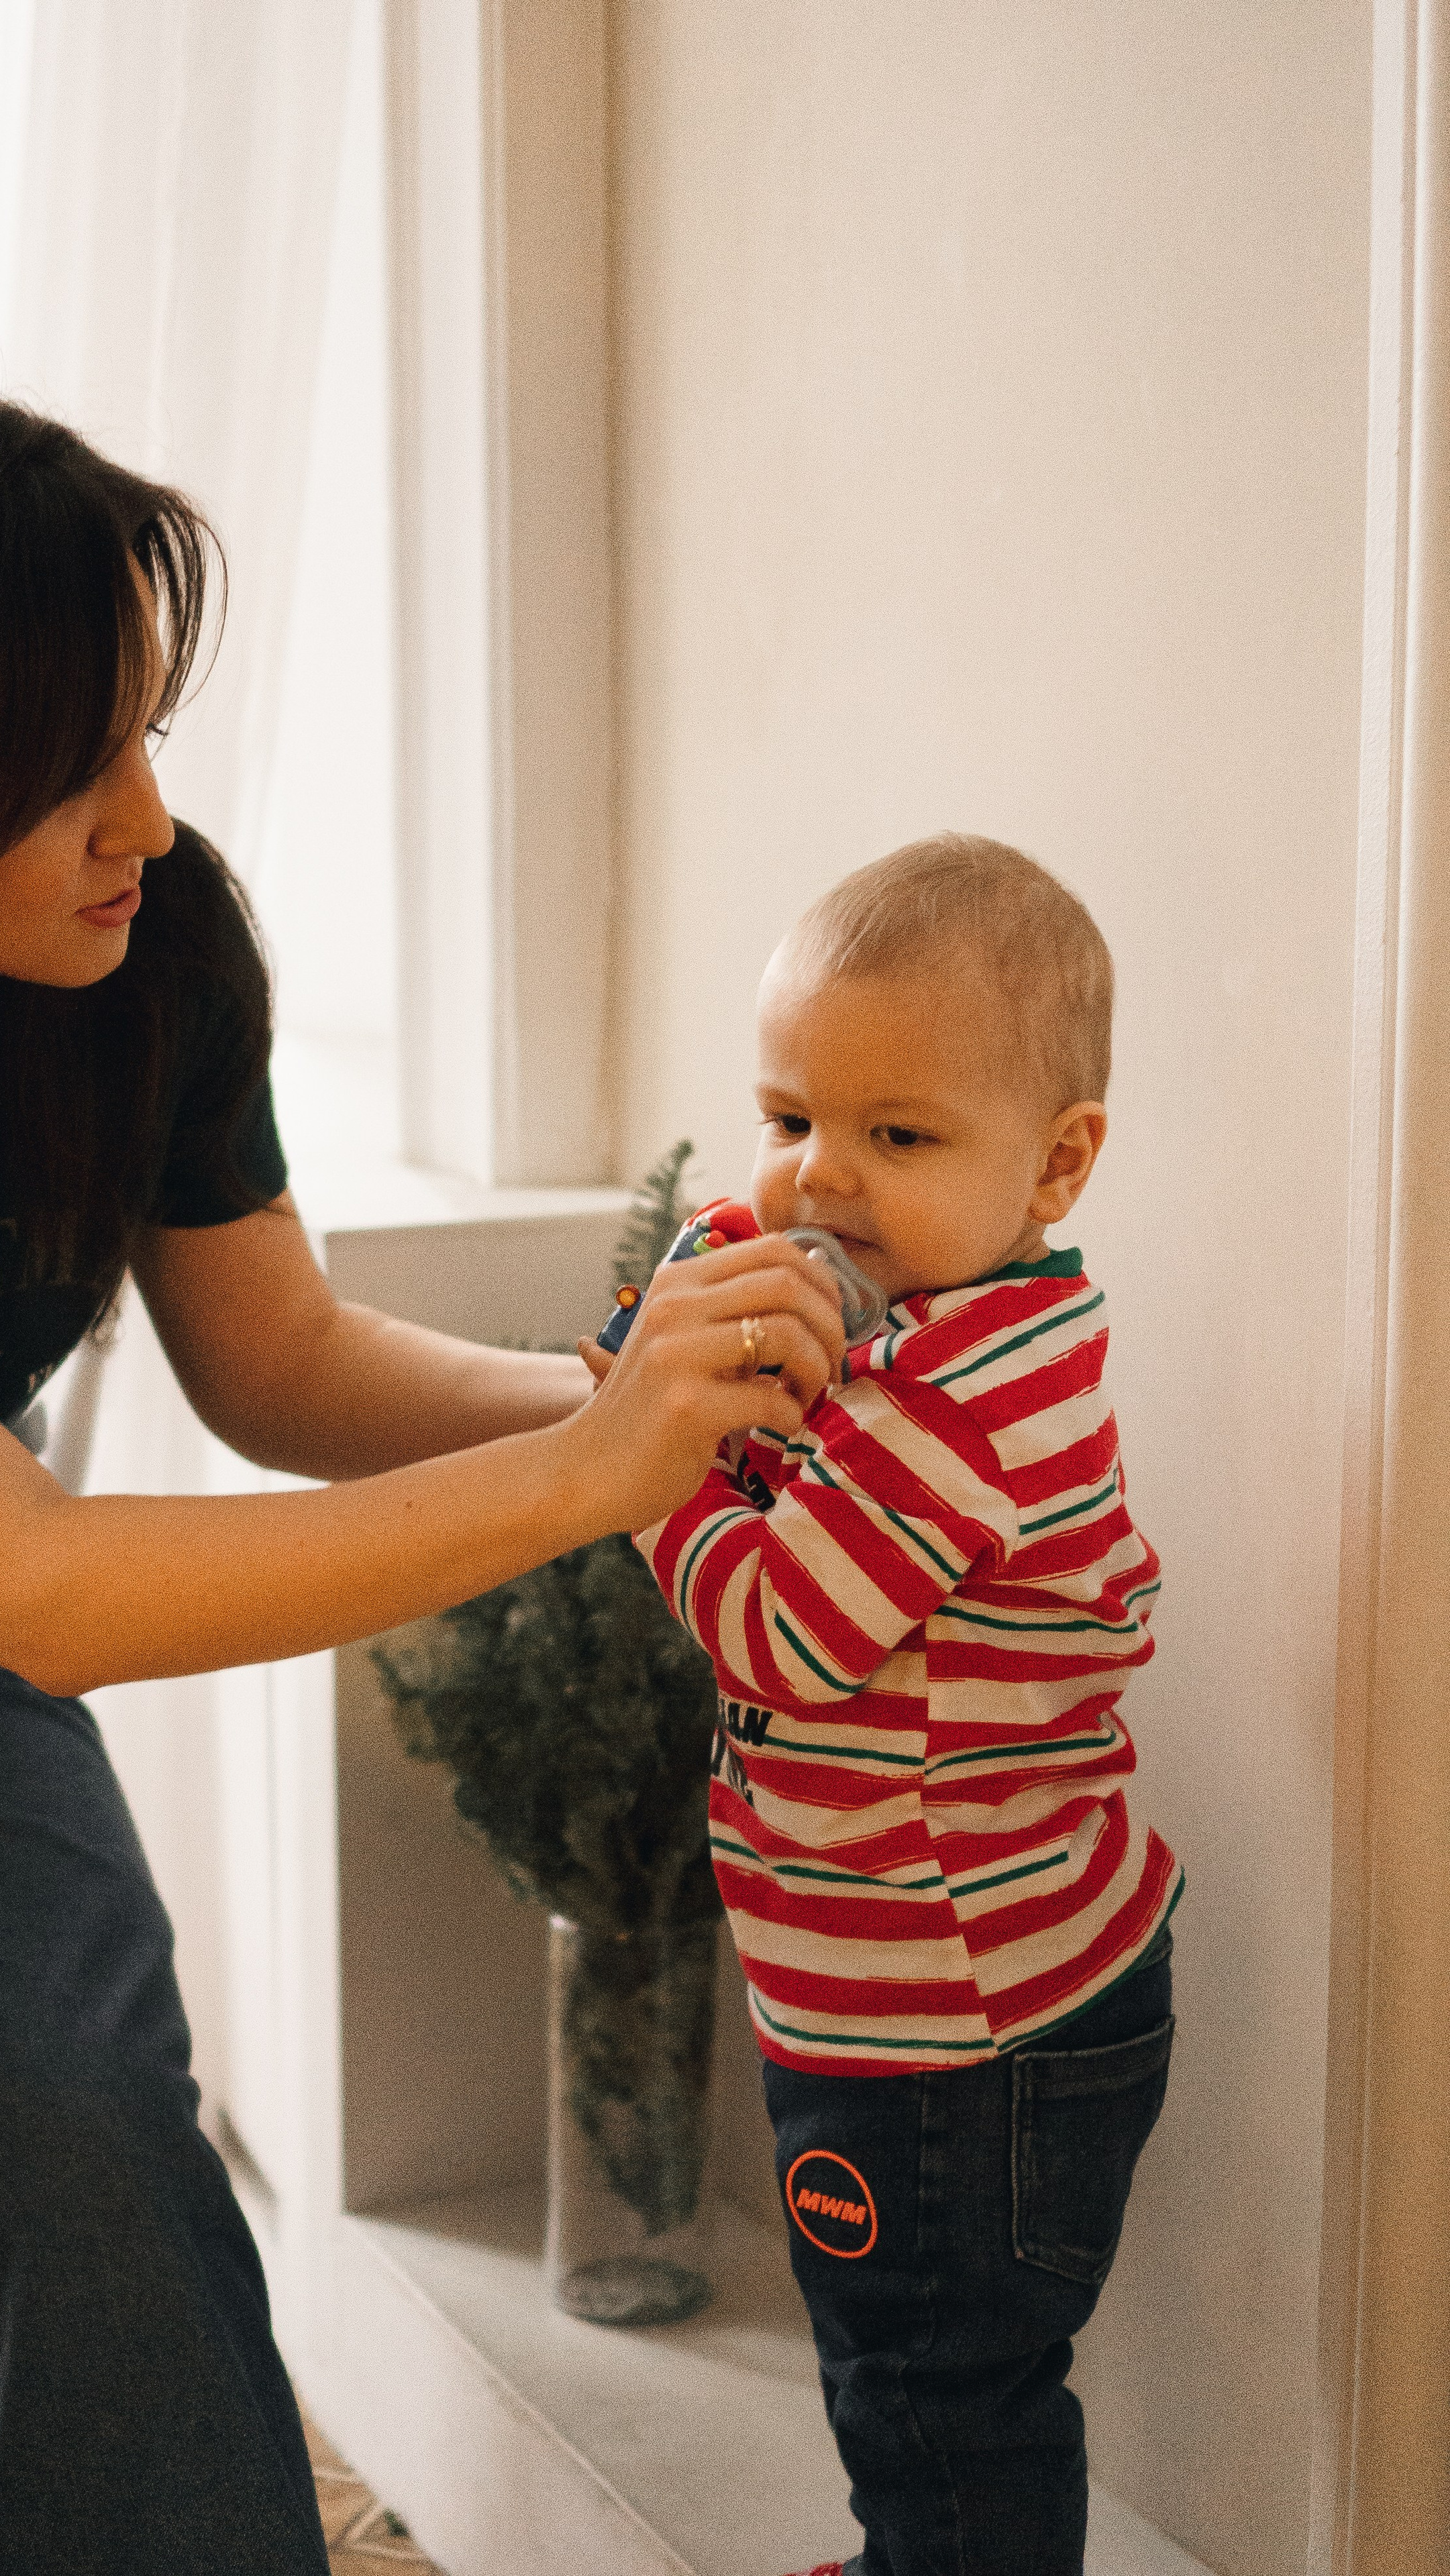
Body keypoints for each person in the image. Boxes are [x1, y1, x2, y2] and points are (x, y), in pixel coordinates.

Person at [0, 379, 846, 2576]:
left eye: (147, 735)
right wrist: (597, 1474)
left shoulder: (145, 957)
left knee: (93, 2141)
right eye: (71, 764)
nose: (145, 821)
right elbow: (42, 1585)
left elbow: (284, 1363)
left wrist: (629, 1394)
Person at [616, 837, 1182, 2576]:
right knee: (913, 2375)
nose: (818, 1178)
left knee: (938, 2390)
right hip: (946, 1994)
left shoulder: (957, 1409)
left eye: (900, 1137)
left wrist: (642, 1470)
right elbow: (808, 1474)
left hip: (953, 2035)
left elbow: (780, 1632)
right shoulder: (936, 1344)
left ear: (1057, 1163)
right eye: (790, 1117)